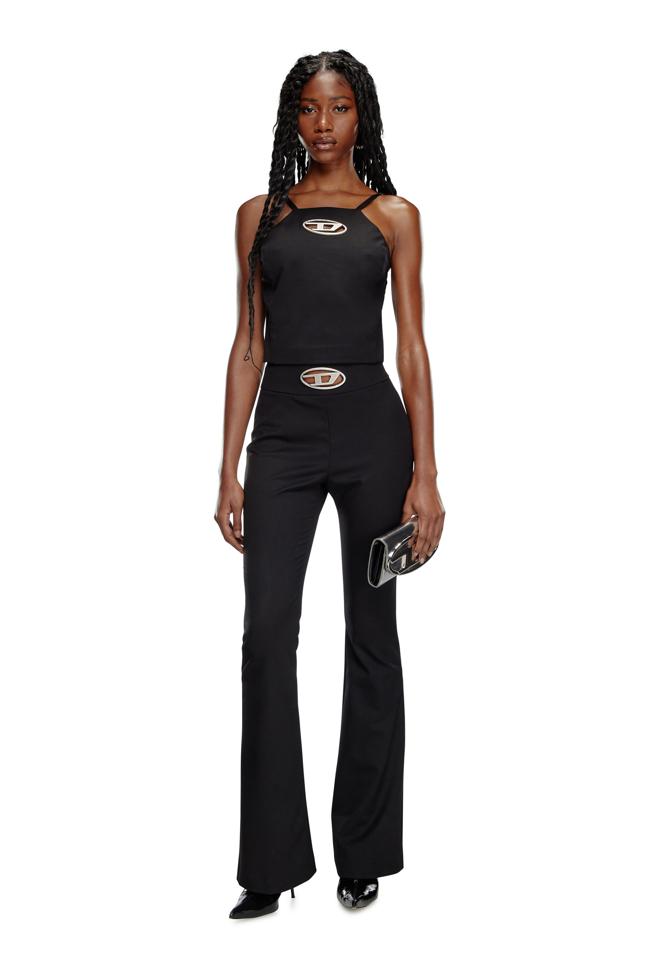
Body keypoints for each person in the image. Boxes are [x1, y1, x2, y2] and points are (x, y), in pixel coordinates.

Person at [215, 49, 445, 919]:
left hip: (370, 435)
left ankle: (364, 852)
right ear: (292, 118)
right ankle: (269, 864)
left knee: (371, 632)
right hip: (281, 436)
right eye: (309, 108)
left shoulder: (394, 216)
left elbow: (411, 346)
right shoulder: (259, 216)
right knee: (266, 633)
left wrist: (426, 474)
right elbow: (248, 343)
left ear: (361, 117)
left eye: (339, 107)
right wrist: (228, 465)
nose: (323, 124)